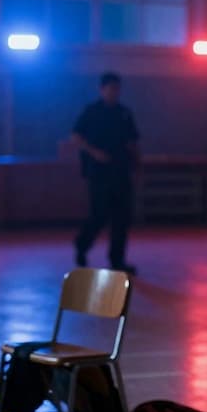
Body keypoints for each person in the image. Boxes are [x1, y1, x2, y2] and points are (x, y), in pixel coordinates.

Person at [72, 72, 140, 274]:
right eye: (110, 89)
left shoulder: (124, 113)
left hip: (121, 171)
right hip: (99, 172)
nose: (114, 93)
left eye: (117, 89)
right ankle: (82, 244)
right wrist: (94, 152)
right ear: (102, 90)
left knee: (121, 217)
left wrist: (137, 165)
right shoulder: (91, 112)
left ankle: (117, 260)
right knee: (99, 215)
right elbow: (76, 136)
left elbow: (132, 142)